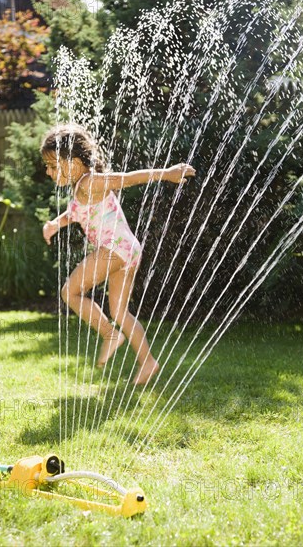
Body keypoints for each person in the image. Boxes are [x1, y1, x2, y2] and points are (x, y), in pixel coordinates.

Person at [41, 123, 196, 385]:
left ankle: (109, 334)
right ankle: (148, 362)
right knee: (120, 312)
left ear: (76, 162)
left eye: (54, 166)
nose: (49, 172)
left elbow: (127, 178)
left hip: (114, 249)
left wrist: (166, 174)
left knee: (70, 292)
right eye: (48, 167)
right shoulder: (83, 186)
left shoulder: (91, 182)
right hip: (127, 250)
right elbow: (77, 213)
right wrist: (56, 223)